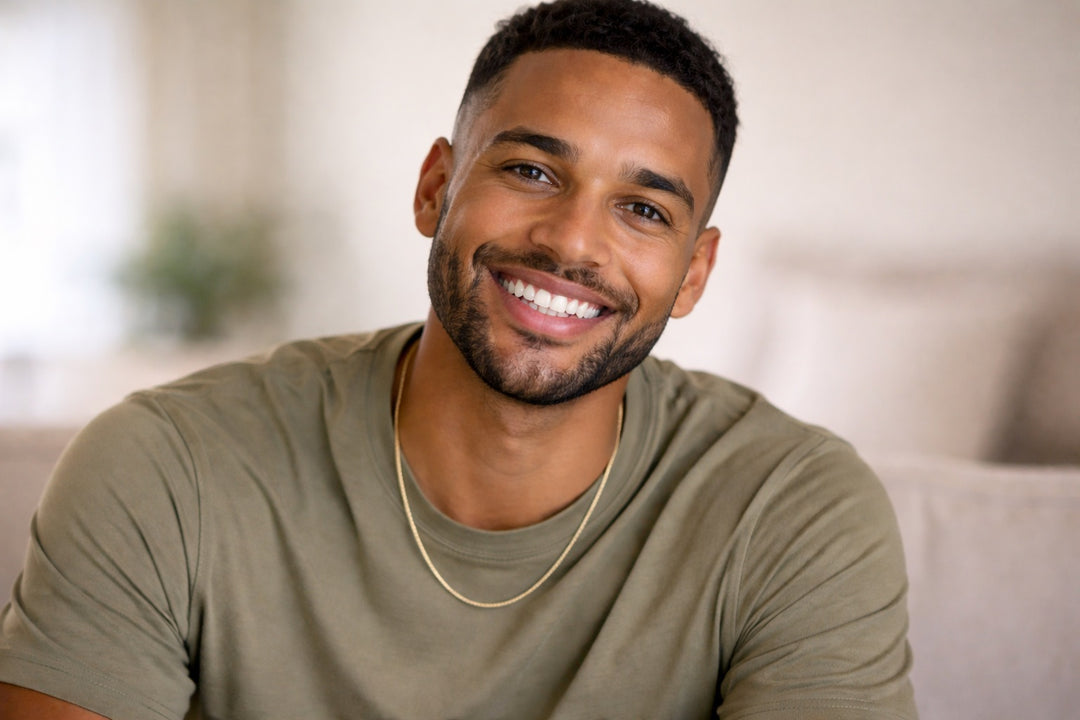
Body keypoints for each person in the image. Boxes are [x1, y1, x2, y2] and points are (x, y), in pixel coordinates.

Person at [0, 0, 917, 718]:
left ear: (693, 272)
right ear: (437, 186)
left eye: (643, 210)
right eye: (530, 171)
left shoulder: (796, 511)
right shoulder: (167, 467)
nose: (570, 242)